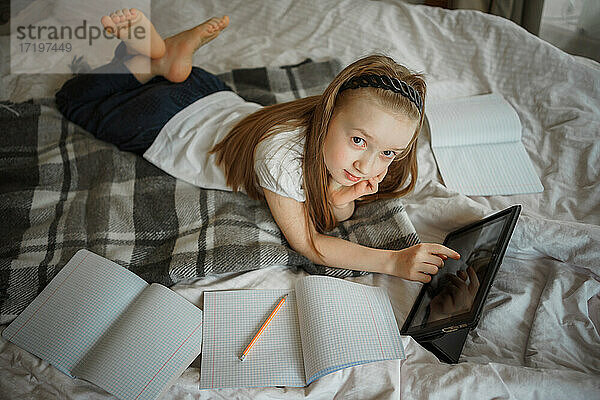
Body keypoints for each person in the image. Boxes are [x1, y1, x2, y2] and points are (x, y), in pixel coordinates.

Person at [55, 8, 460, 283]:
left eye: (388, 153)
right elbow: (312, 242)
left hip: (207, 90)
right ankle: (148, 58)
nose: (370, 164)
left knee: (145, 76)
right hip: (164, 122)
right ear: (329, 113)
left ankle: (165, 61)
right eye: (359, 141)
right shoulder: (281, 157)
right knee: (75, 96)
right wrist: (393, 260)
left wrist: (345, 194)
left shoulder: (327, 136)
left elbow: (333, 214)